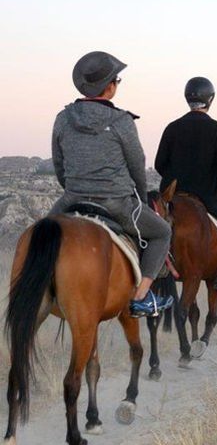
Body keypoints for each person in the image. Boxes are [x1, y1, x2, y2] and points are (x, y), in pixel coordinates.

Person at [50, 51, 173, 317]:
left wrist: (73, 189)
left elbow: (59, 164)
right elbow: (137, 166)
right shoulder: (121, 121)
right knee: (162, 232)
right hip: (116, 203)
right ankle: (142, 297)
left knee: (40, 236)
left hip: (71, 199)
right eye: (117, 79)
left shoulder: (63, 118)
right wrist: (141, 199)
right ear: (109, 87)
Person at [155, 77, 217, 293]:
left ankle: (152, 266)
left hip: (173, 196)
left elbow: (159, 164)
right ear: (210, 99)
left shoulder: (172, 127)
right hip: (209, 196)